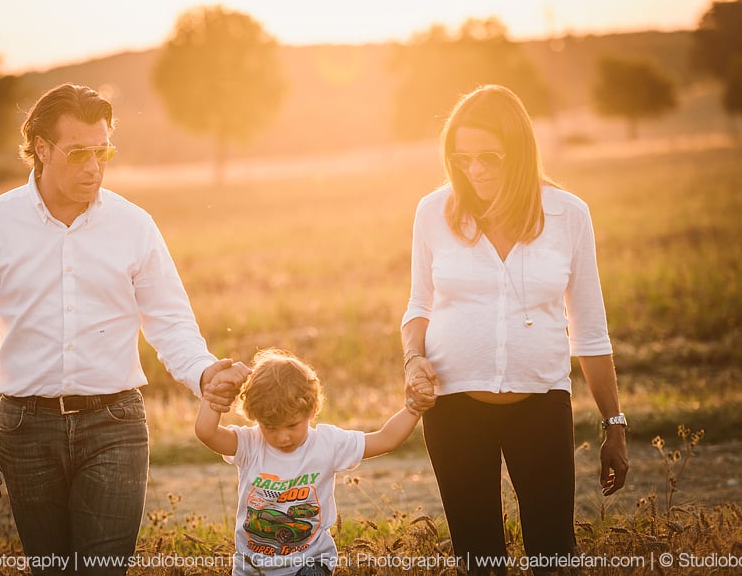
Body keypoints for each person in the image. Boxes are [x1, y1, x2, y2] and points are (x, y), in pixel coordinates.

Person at [0, 83, 247, 574]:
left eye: (102, 151)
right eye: (78, 153)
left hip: (115, 426)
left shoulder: (134, 225)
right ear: (41, 149)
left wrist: (204, 374)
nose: (94, 167)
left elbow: (170, 322)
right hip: (25, 428)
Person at [400, 84, 628, 574]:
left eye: (488, 156)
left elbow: (589, 328)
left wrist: (614, 423)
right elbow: (419, 303)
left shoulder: (570, 215)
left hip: (541, 405)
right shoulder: (433, 212)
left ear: (520, 151)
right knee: (478, 558)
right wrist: (412, 357)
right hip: (452, 408)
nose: (474, 169)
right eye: (461, 159)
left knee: (554, 555)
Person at [195, 348, 432, 575]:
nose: (283, 437)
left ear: (312, 410)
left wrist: (413, 407)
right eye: (271, 427)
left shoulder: (327, 444)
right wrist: (215, 392)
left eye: (291, 425)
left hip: (310, 564)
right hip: (252, 567)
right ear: (256, 419)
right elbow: (207, 433)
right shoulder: (250, 444)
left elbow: (386, 439)